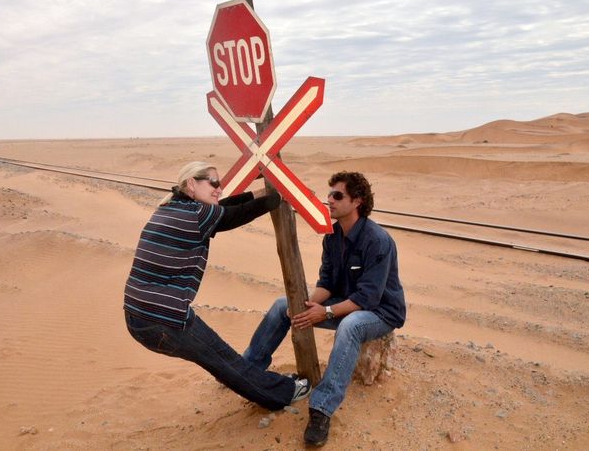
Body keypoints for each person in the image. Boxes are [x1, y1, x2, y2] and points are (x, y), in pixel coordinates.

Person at [124, 161, 311, 411]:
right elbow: (236, 214)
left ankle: (261, 382)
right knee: (225, 360)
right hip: (163, 320)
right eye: (213, 182)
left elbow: (223, 208)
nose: (219, 188)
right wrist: (279, 195)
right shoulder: (197, 215)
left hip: (138, 317)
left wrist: (261, 192)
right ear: (191, 183)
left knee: (218, 360)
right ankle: (284, 393)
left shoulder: (172, 207)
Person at [243, 171, 406, 446]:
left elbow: (367, 297)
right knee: (283, 304)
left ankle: (321, 409)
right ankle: (246, 370)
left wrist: (326, 312)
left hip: (380, 312)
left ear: (357, 201)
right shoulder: (332, 237)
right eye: (329, 194)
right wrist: (305, 304)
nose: (329, 200)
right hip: (346, 303)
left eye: (337, 195)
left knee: (350, 325)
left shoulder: (377, 240)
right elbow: (327, 284)